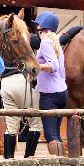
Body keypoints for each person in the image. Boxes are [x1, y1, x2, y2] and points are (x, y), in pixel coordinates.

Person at [33, 11, 68, 156]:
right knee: (56, 133)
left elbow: (53, 66)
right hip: (61, 92)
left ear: (43, 26)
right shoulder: (56, 42)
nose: (36, 27)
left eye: (38, 24)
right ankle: (63, 163)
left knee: (50, 135)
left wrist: (35, 66)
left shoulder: (46, 42)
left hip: (50, 95)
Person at [0, 59, 43, 159]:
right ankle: (29, 159)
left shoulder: (3, 45)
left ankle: (8, 161)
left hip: (6, 82)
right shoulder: (26, 44)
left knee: (10, 126)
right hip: (25, 79)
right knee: (35, 123)